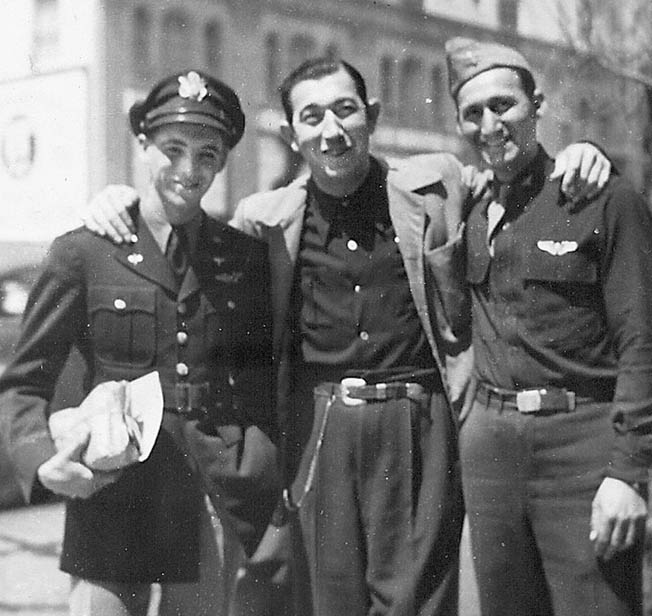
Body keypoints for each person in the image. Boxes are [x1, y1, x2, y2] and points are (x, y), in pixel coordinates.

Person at [82, 58, 611, 616]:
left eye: (345, 110)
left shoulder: (436, 186)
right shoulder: (263, 219)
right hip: (321, 424)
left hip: (418, 421)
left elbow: (517, 173)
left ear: (372, 116)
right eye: (311, 117)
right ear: (291, 134)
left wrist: (579, 153)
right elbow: (184, 238)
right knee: (328, 600)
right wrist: (118, 200)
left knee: (417, 601)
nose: (330, 131)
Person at [0, 69, 278, 616]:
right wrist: (41, 461)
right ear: (143, 147)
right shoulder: (83, 252)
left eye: (206, 154)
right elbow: (24, 382)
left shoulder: (241, 259)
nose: (187, 170)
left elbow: (260, 379)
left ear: (222, 161)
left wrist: (255, 469)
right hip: (113, 497)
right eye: (172, 149)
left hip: (207, 497)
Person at [445, 37, 652, 616]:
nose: (490, 125)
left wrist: (629, 475)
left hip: (581, 442)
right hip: (492, 447)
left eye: (504, 106)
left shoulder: (601, 199)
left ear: (537, 104)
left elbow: (643, 341)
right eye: (473, 112)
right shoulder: (469, 206)